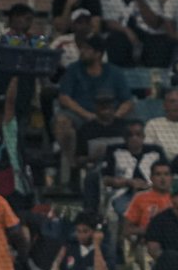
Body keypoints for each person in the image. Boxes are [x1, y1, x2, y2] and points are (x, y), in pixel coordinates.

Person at [54, 36, 134, 188]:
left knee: (132, 126)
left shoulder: (114, 72)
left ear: (98, 54)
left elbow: (127, 101)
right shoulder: (73, 70)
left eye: (87, 49)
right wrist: (86, 114)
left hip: (110, 115)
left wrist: (115, 116)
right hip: (81, 115)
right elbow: (64, 97)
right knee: (62, 122)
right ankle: (73, 168)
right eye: (82, 49)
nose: (82, 52)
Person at [102, 0, 170, 68]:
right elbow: (108, 22)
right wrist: (126, 31)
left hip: (148, 41)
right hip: (124, 42)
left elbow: (154, 24)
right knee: (115, 39)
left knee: (161, 44)